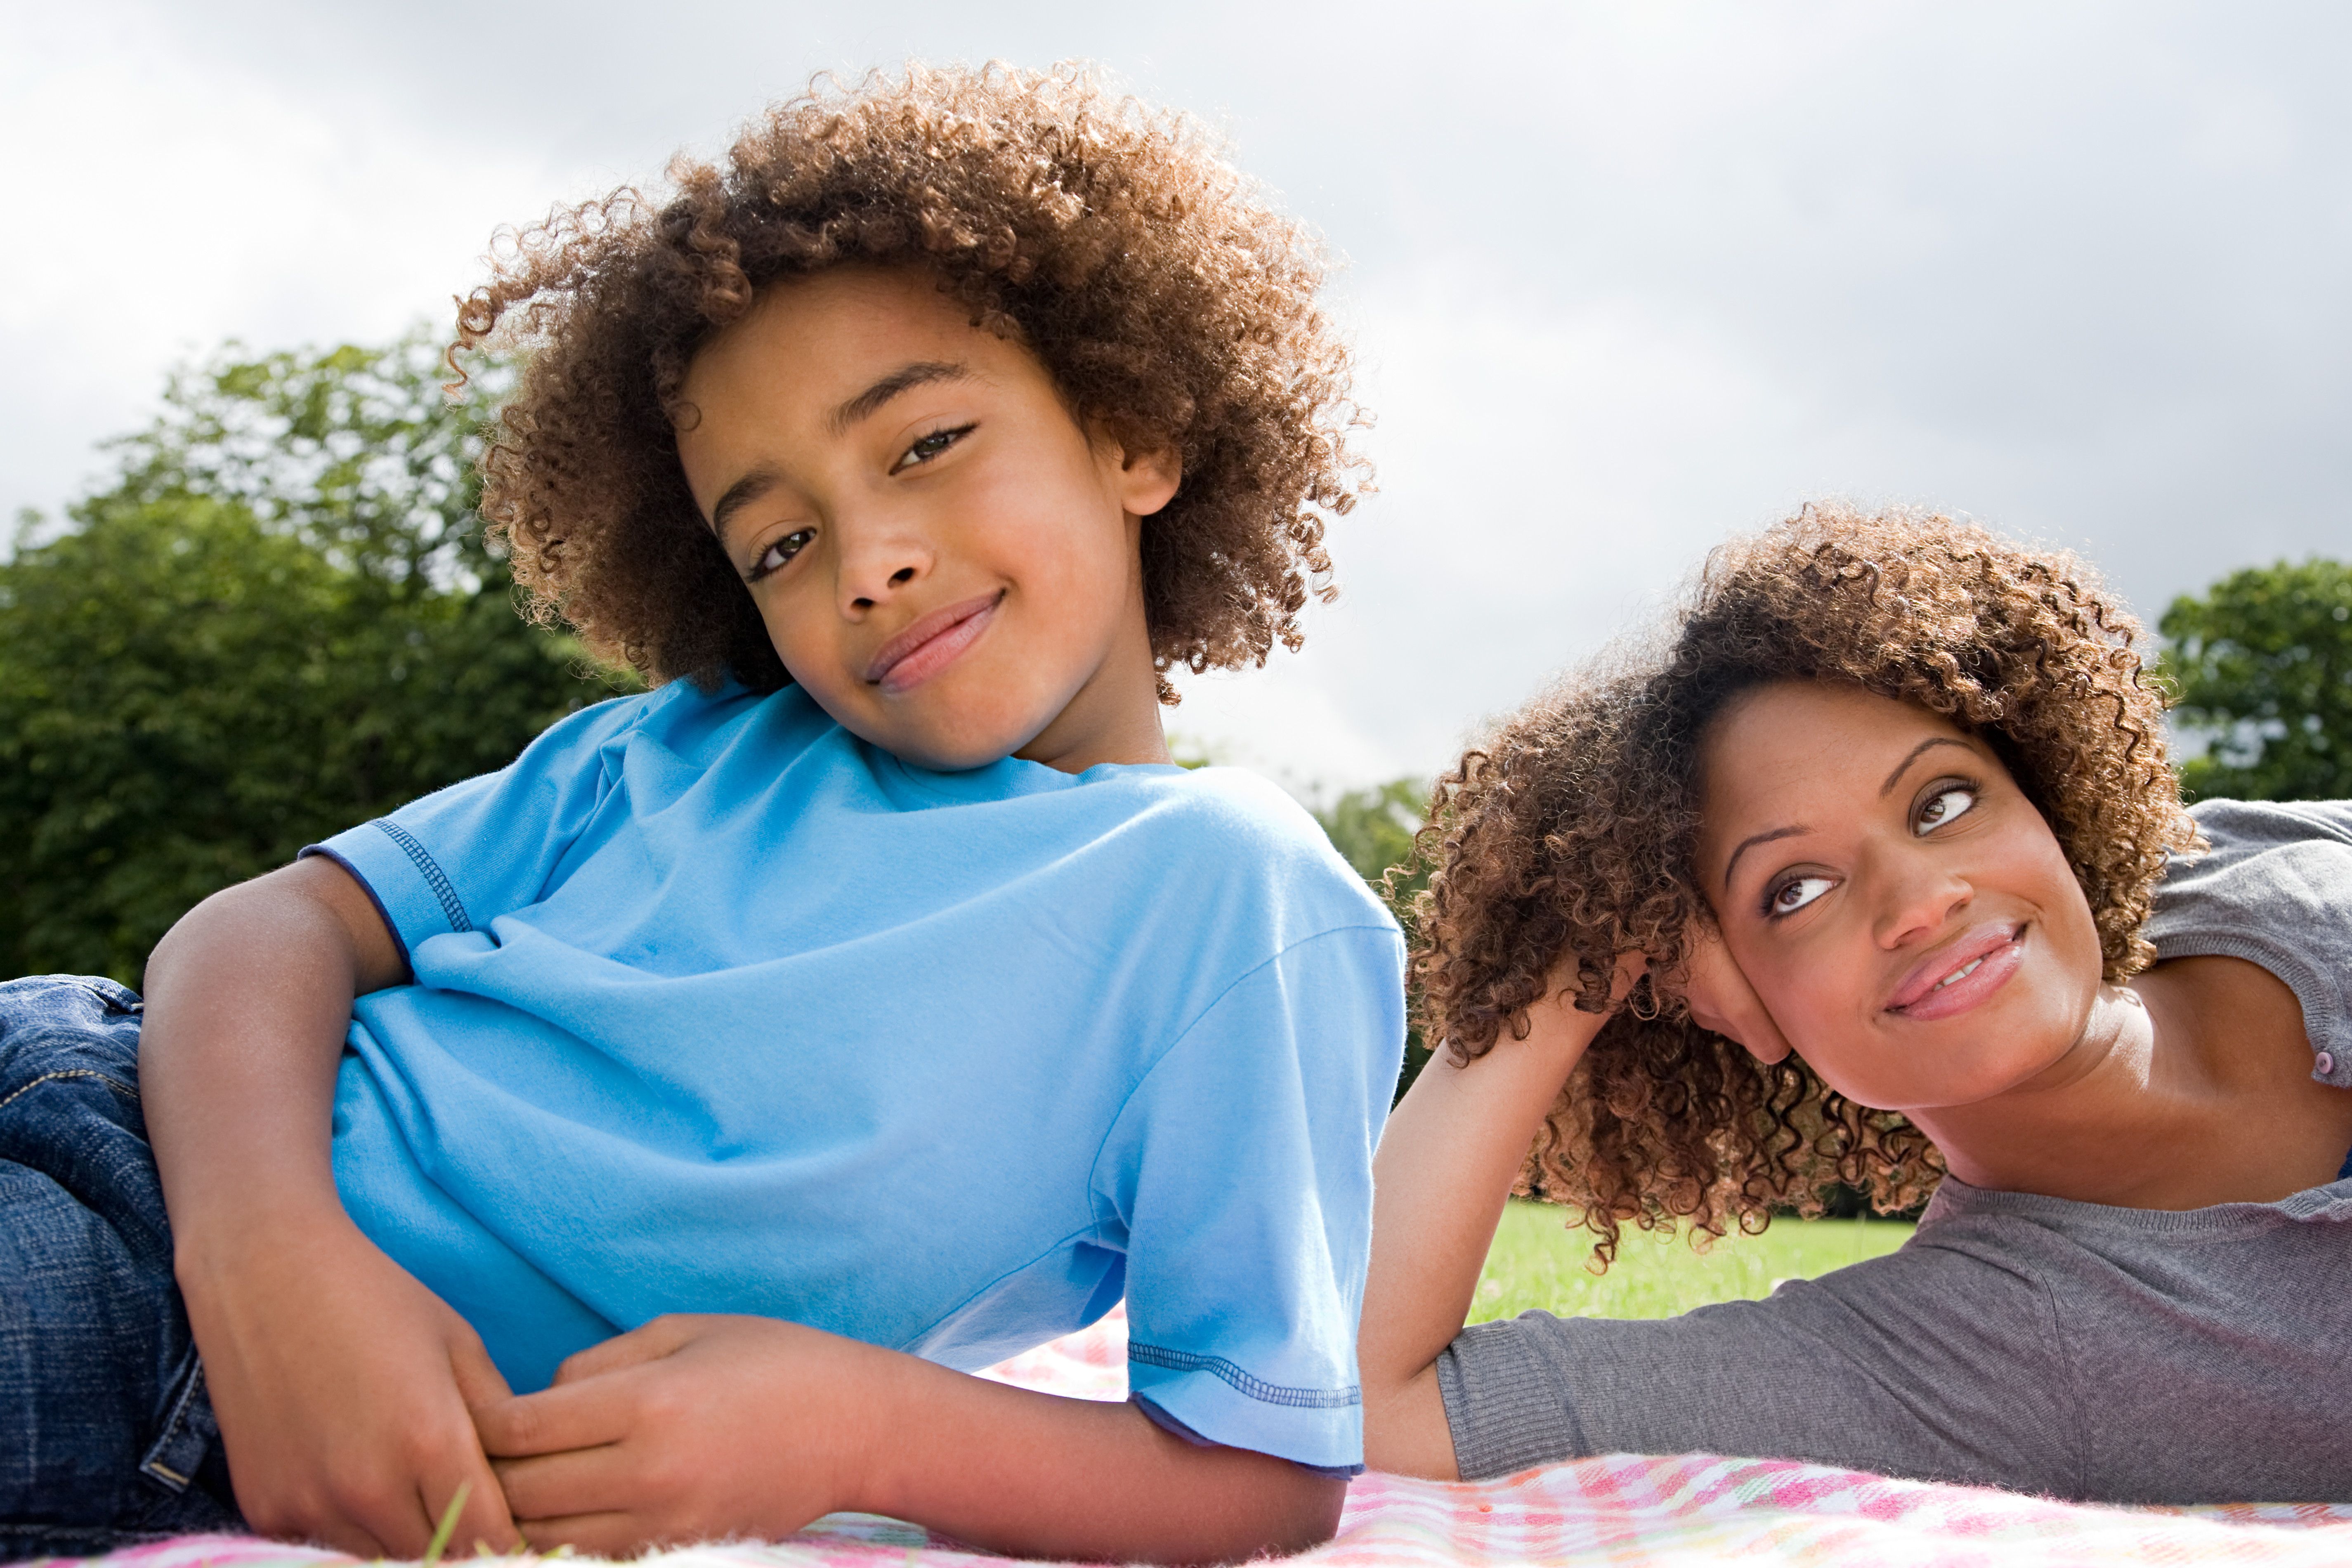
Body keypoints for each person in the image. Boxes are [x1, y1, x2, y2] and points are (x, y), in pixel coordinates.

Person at [0, 65, 1403, 1563]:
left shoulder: (1233, 903)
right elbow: (263, 928)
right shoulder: (680, 751)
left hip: (148, 1352)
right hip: (148, 1149)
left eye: (925, 445)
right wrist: (267, 1261)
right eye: (782, 540)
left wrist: (851, 1426)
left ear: (1133, 431)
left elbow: (1264, 1473)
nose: (865, 562)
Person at [1359, 505, 2352, 1504]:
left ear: (2047, 794)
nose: (1920, 903)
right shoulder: (1962, 1357)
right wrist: (1575, 961)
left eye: (1945, 803)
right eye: (1794, 890)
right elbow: (1362, 1404)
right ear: (1725, 997)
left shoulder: (2268, 858)